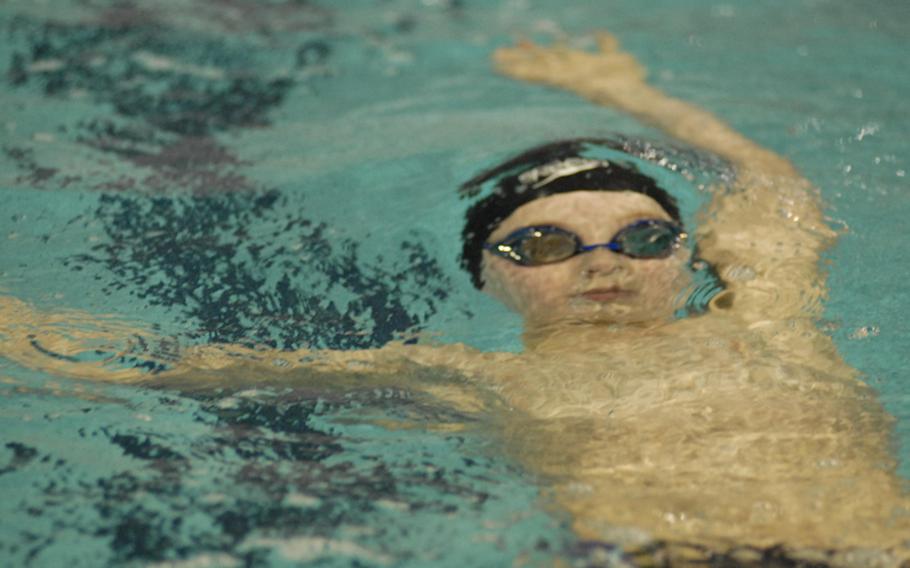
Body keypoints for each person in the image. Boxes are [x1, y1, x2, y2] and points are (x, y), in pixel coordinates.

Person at [2, 32, 908, 565]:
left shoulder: (773, 319)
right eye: (547, 242)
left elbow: (769, 185)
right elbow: (186, 370)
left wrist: (627, 93)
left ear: (684, 256)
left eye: (641, 235)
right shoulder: (464, 375)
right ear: (491, 275)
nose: (605, 261)